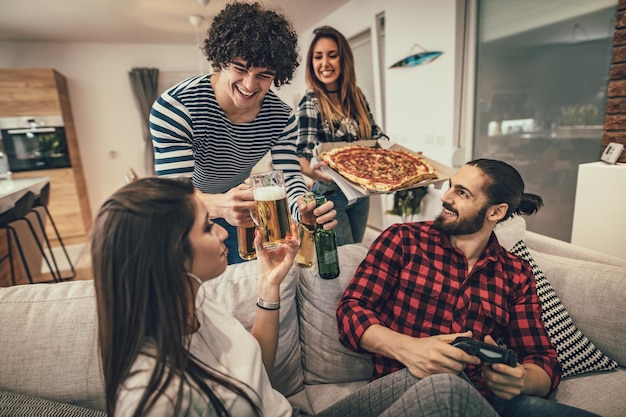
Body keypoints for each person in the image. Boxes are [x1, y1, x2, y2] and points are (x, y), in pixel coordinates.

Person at [92, 176, 500, 417]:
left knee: (439, 375)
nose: (221, 233)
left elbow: (256, 371)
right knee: (444, 396)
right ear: (169, 254)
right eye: (206, 227)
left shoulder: (194, 300)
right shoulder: (151, 396)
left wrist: (269, 287)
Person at [337, 159, 600, 417]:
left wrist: (521, 379)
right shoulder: (403, 240)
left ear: (496, 212)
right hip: (409, 391)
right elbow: (351, 310)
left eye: (461, 193)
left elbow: (542, 358)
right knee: (447, 388)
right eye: (450, 186)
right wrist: (408, 348)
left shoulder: (515, 273)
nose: (445, 197)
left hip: (484, 398)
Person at [150, 2, 336, 265]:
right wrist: (217, 206)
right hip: (187, 213)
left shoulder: (281, 118)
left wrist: (301, 209)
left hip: (241, 210)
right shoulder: (176, 109)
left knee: (246, 284)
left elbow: (290, 175)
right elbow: (174, 196)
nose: (250, 85)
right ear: (221, 60)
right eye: (240, 68)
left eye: (264, 75)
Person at [296, 26, 388, 246]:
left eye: (332, 55)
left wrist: (399, 155)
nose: (324, 63)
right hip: (330, 194)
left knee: (357, 250)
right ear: (311, 63)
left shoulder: (356, 95)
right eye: (318, 57)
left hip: (361, 192)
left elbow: (376, 136)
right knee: (345, 257)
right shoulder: (311, 101)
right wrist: (316, 175)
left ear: (343, 60)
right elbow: (301, 156)